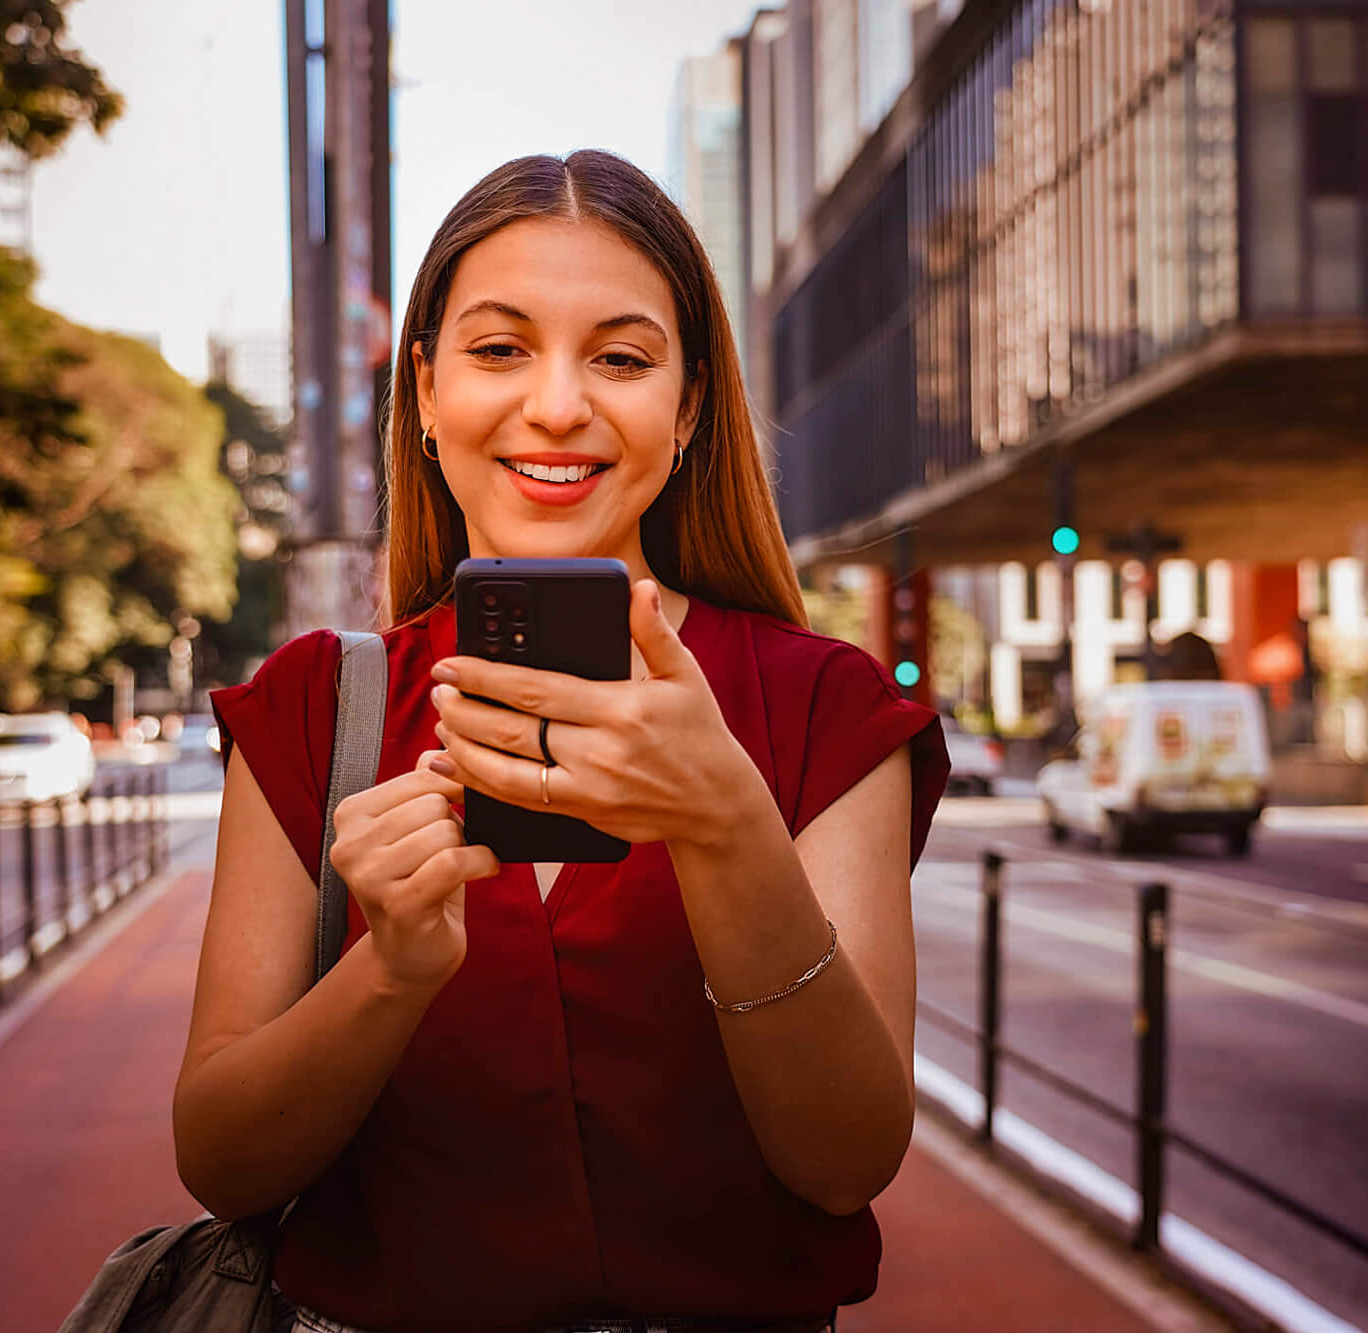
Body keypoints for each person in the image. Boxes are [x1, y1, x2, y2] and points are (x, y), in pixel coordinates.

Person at [177, 151, 949, 1333]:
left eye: (621, 358)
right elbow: (222, 1161)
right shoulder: (309, 707)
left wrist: (726, 824)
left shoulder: (823, 708)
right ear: (425, 394)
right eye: (498, 350)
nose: (555, 405)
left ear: (687, 409)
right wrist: (388, 971)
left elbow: (844, 1160)